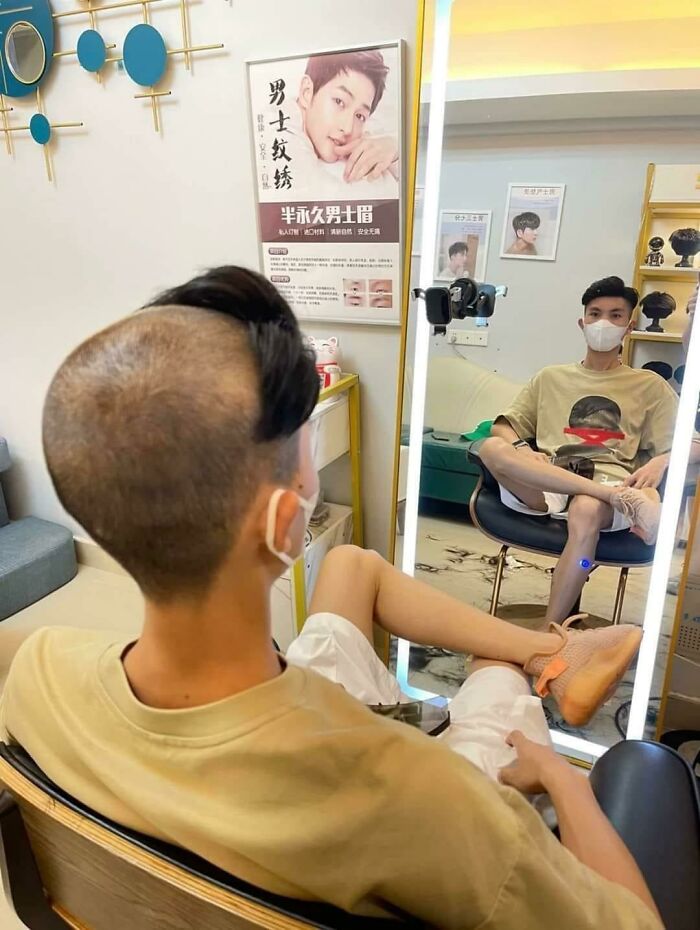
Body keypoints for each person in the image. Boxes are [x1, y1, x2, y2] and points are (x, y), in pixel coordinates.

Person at [1, 268, 661, 928]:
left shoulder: (38, 671)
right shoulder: (432, 800)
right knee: (494, 672)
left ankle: (551, 650)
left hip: (266, 745)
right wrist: (564, 782)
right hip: (357, 778)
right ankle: (541, 659)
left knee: (349, 565)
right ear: (286, 521)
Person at [481, 275, 680, 626]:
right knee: (492, 447)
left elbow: (690, 443)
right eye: (595, 314)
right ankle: (611, 497)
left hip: (611, 484)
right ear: (582, 322)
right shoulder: (550, 377)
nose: (603, 323)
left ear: (629, 326)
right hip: (550, 481)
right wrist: (522, 449)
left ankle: (549, 631)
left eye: (615, 315)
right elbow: (504, 426)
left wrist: (663, 461)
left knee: (586, 509)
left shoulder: (650, 386)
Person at [290, 50, 398, 197]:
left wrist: (394, 147)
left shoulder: (363, 140)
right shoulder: (279, 135)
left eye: (359, 116)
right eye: (339, 101)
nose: (347, 128)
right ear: (306, 92)